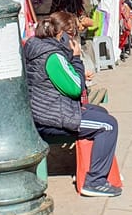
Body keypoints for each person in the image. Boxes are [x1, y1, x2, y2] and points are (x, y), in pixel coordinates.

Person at [23, 14, 122, 197]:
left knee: (99, 111)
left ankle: (97, 168)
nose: (74, 39)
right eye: (73, 35)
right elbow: (75, 89)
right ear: (62, 35)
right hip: (52, 119)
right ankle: (95, 181)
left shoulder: (36, 46)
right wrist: (76, 59)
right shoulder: (52, 56)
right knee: (108, 125)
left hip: (44, 112)